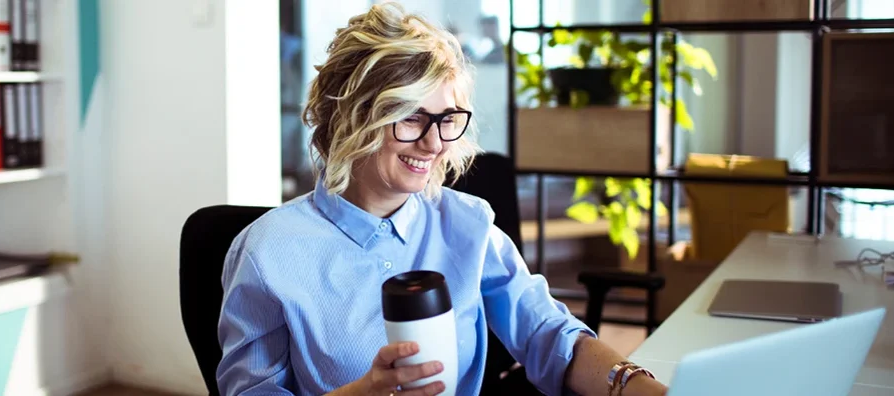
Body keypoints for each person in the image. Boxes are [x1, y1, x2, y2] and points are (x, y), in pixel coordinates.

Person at [216, 3, 669, 396]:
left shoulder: (466, 224)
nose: (434, 144)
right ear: (350, 119)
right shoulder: (268, 252)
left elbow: (549, 334)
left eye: (447, 118)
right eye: (411, 118)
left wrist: (639, 386)